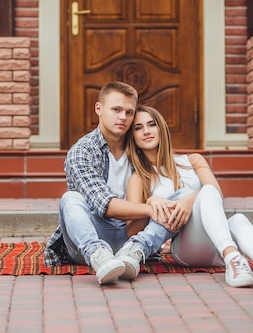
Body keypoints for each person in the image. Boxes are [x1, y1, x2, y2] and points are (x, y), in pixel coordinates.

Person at [125, 105, 253, 288]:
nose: (146, 131)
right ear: (132, 136)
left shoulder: (193, 160)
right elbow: (131, 231)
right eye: (138, 128)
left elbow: (215, 194)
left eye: (151, 124)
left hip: (216, 243)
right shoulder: (139, 179)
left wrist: (190, 199)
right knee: (212, 197)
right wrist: (150, 206)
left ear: (162, 128)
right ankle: (233, 258)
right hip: (187, 249)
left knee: (237, 219)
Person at [44, 82, 175, 285]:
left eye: (129, 112)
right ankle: (99, 257)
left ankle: (136, 251)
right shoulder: (83, 151)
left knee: (180, 197)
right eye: (116, 110)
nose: (123, 117)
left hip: (131, 236)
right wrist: (151, 208)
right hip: (92, 235)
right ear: (99, 109)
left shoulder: (140, 149)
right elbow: (104, 205)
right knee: (70, 198)